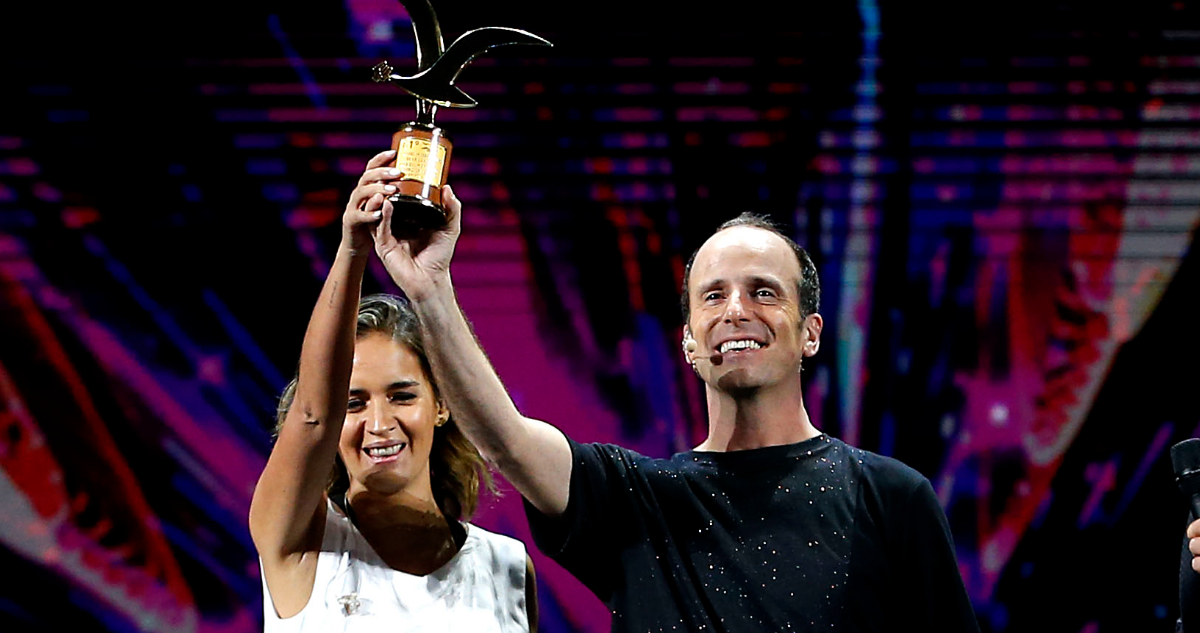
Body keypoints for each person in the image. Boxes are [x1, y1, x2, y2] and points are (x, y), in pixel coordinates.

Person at [371, 185, 978, 631]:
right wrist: (430, 289)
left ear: (811, 332)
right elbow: (505, 439)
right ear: (689, 341)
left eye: (763, 292)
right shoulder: (636, 503)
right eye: (713, 296)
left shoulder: (891, 498)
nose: (735, 311)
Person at [248, 150, 536, 632]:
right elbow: (313, 416)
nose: (379, 424)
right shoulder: (298, 541)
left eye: (402, 396)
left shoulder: (507, 568)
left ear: (442, 403)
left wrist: (432, 283)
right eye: (353, 403)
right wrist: (352, 251)